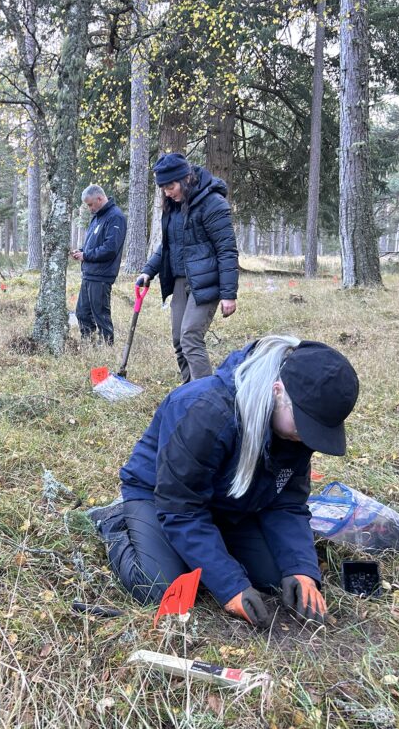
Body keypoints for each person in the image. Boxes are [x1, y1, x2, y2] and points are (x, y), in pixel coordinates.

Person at [88, 335, 359, 627]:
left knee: (273, 577)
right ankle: (115, 521)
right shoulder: (205, 411)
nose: (308, 438)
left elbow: (287, 502)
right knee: (160, 588)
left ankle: (206, 552)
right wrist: (231, 587)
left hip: (229, 503)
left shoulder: (296, 432)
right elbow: (182, 509)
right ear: (277, 391)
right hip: (159, 495)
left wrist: (302, 568)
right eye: (305, 425)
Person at [136, 153, 239, 383]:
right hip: (182, 281)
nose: (167, 192)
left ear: (186, 178)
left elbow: (227, 250)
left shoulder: (212, 203)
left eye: (170, 186)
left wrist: (229, 294)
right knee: (179, 340)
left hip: (207, 282)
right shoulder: (173, 207)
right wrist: (148, 270)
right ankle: (189, 392)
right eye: (163, 188)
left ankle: (206, 398)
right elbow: (168, 245)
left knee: (190, 337)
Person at [70, 185, 127, 345]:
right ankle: (88, 344)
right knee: (82, 313)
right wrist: (81, 251)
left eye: (90, 204)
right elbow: (93, 243)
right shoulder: (97, 216)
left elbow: (110, 249)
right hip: (89, 273)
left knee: (101, 315)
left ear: (100, 198)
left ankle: (107, 348)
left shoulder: (115, 217)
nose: (89, 208)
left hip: (102, 275)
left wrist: (86, 255)